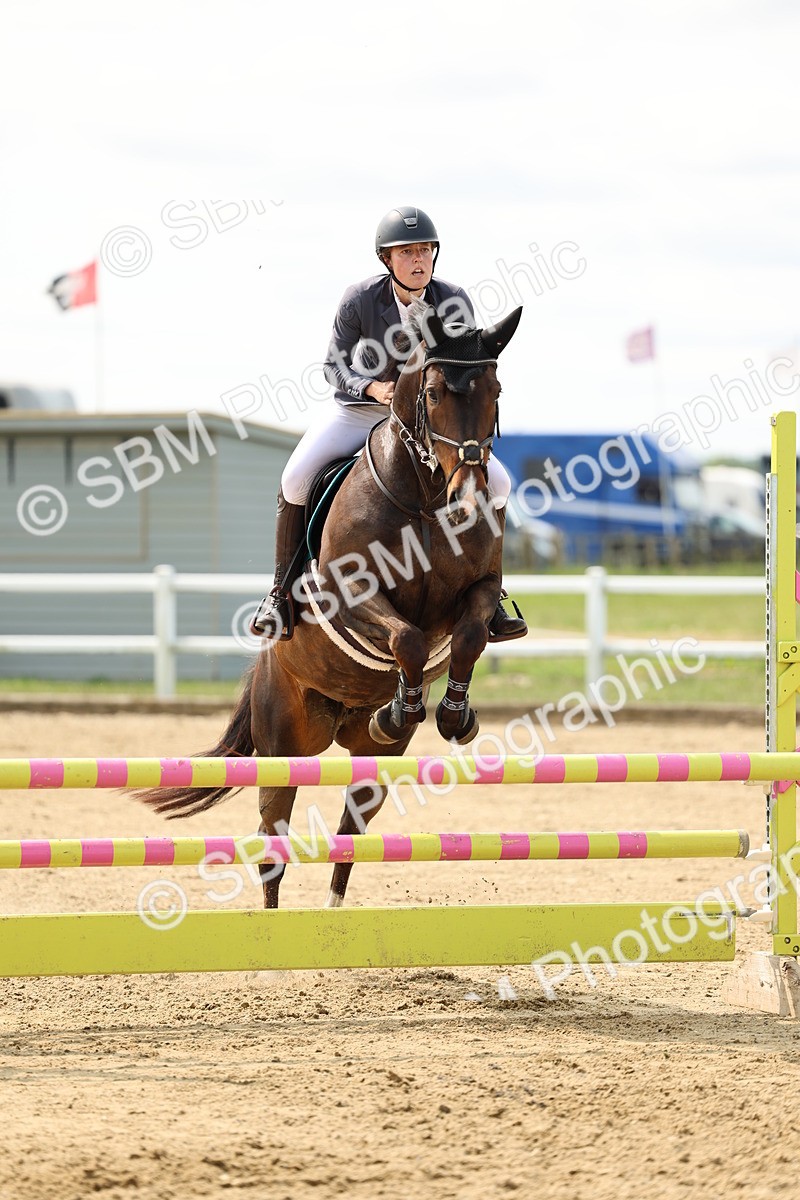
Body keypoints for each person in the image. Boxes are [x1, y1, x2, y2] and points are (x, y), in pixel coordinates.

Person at [250, 205, 527, 642]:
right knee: (295, 477)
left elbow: (463, 371)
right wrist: (370, 389)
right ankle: (280, 595)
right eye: (407, 252)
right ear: (387, 260)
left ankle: (492, 598)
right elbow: (333, 365)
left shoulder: (453, 298)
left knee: (501, 485)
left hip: (426, 420)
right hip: (361, 411)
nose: (418, 260)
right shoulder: (360, 298)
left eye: (425, 251)